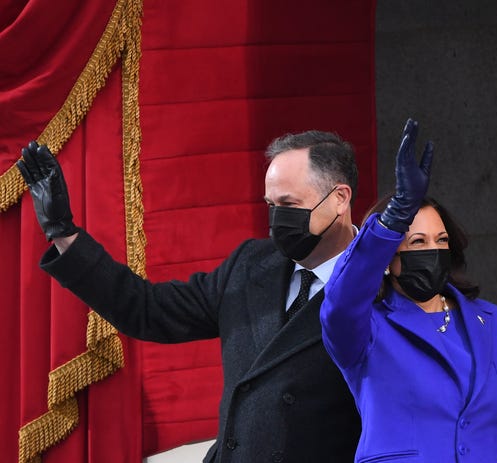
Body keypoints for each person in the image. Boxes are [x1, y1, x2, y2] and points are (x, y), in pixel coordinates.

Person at [17, 131, 362, 463]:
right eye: (271, 204)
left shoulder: (379, 285)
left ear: (339, 198)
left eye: (289, 204)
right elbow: (148, 311)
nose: (277, 219)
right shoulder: (251, 265)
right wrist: (63, 233)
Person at [320, 119, 497, 462]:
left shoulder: (492, 320)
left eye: (440, 240)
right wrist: (394, 217)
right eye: (417, 241)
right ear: (388, 257)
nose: (432, 250)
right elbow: (341, 301)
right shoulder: (366, 328)